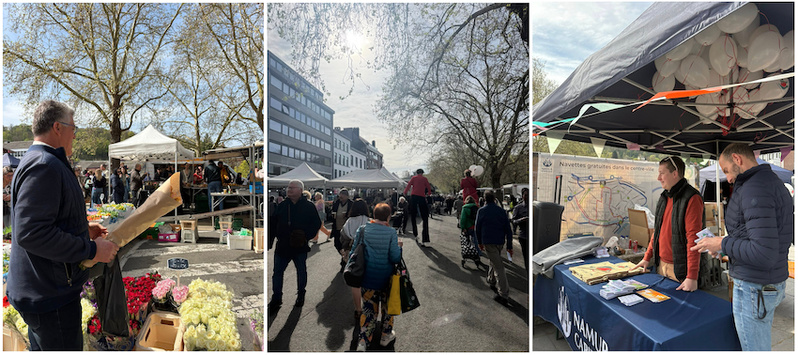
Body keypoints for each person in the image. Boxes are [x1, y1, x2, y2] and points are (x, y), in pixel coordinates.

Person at [7, 100, 118, 350]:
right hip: (49, 295)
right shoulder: (44, 165)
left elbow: (44, 220)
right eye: (73, 128)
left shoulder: (41, 160)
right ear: (57, 127)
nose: (74, 135)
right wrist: (91, 250)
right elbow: (32, 233)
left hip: (44, 290)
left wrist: (83, 231)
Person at [692, 143, 793, 351]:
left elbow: (763, 252)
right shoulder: (769, 183)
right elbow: (757, 236)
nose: (727, 178)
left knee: (753, 348)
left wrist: (723, 243)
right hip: (765, 282)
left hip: (754, 286)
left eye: (727, 170)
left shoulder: (755, 188)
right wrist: (724, 247)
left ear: (737, 159)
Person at [634, 156, 703, 292]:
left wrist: (692, 276)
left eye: (662, 173)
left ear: (675, 174)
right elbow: (657, 232)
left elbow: (693, 239)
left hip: (680, 271)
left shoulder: (692, 198)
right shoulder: (664, 197)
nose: (658, 178)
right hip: (661, 266)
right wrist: (647, 257)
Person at [351, 203, 402, 351]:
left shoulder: (363, 229)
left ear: (373, 215)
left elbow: (354, 251)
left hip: (367, 278)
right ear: (388, 216)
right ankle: (386, 336)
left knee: (368, 310)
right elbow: (394, 257)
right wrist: (399, 247)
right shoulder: (391, 232)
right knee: (387, 308)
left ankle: (363, 340)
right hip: (387, 279)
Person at [268, 179, 321, 312]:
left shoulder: (309, 206)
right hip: (283, 246)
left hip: (300, 246)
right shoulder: (282, 205)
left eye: (292, 188)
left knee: (301, 271)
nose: (288, 190)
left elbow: (316, 223)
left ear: (300, 190)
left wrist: (306, 236)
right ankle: (276, 298)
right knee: (277, 273)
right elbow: (273, 223)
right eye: (288, 187)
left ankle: (301, 294)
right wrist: (269, 242)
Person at [475, 191, 513, 306]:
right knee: (495, 260)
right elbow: (508, 229)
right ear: (495, 199)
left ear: (484, 199)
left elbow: (478, 227)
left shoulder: (481, 211)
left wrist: (479, 242)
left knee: (499, 267)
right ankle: (491, 279)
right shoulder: (501, 211)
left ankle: (503, 294)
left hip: (488, 240)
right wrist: (509, 246)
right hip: (500, 241)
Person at [340, 199, 371, 323]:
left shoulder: (350, 221)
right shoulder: (369, 220)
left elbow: (343, 235)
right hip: (366, 253)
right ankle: (367, 306)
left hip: (352, 252)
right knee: (366, 279)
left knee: (355, 281)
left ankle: (358, 309)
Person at [403, 168, 432, 247]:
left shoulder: (413, 178)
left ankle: (415, 234)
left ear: (416, 173)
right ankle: (425, 239)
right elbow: (429, 187)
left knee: (413, 215)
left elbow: (408, 185)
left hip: (414, 197)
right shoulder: (424, 179)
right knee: (425, 217)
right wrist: (429, 193)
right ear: (422, 173)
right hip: (421, 197)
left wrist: (405, 192)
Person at [460, 196, 486, 268]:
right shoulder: (477, 208)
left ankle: (467, 254)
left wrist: (463, 227)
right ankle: (478, 254)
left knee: (466, 242)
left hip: (468, 227)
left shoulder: (465, 208)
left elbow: (463, 219)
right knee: (476, 241)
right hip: (475, 227)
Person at [331, 189, 352, 270]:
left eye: (343, 196)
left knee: (346, 246)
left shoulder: (350, 204)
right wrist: (332, 215)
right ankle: (344, 257)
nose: (341, 198)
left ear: (347, 196)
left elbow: (353, 215)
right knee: (337, 244)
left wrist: (346, 215)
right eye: (340, 196)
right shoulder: (336, 203)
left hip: (346, 229)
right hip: (337, 227)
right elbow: (332, 212)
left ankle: (344, 262)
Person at [512, 188, 530, 273]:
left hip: (533, 235)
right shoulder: (518, 208)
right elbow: (513, 221)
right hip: (523, 236)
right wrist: (521, 220)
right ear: (522, 196)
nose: (527, 197)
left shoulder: (533, 207)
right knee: (527, 257)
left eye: (528, 195)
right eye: (525, 195)